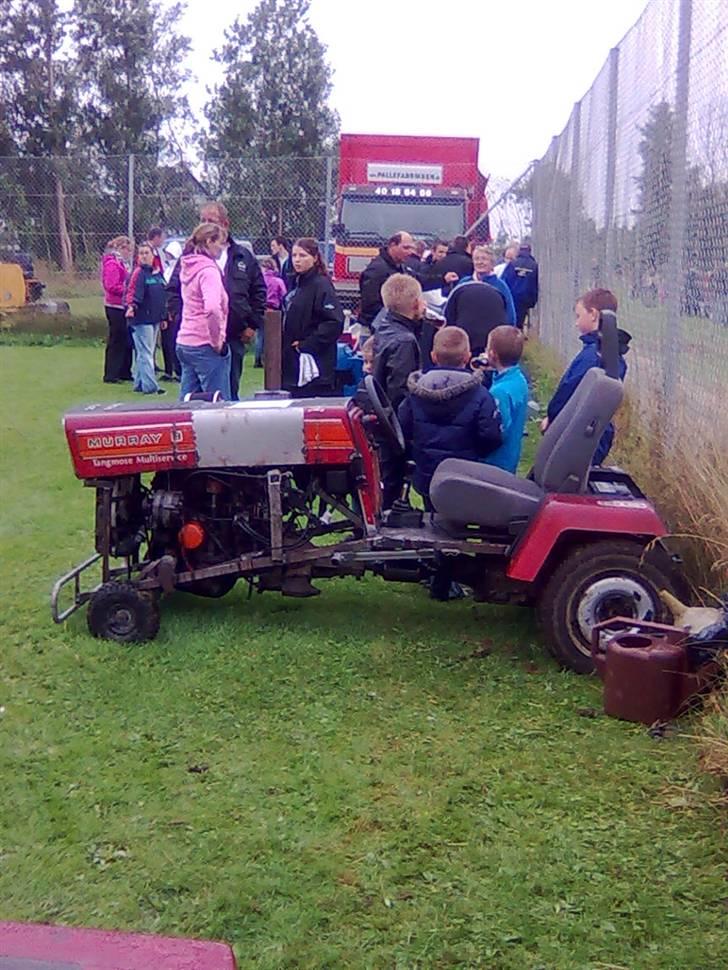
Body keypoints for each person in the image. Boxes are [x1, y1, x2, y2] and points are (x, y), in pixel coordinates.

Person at [167, 202, 266, 400]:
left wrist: (252, 325)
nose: (204, 225)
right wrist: (212, 338)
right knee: (219, 402)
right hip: (208, 341)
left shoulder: (242, 256)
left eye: (210, 221)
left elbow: (259, 292)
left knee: (190, 398)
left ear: (225, 224)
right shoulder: (198, 264)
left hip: (229, 336)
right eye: (201, 221)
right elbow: (180, 294)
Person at [398, 326, 501, 502]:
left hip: (426, 472)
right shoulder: (480, 394)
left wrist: (415, 452)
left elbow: (402, 428)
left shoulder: (415, 393)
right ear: (468, 357)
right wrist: (478, 453)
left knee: (432, 513)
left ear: (433, 356)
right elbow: (490, 435)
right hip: (465, 473)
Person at [541, 288, 631, 465]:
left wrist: (553, 419)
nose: (576, 323)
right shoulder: (612, 355)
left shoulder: (592, 357)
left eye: (578, 315)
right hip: (596, 433)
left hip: (575, 433)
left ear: (593, 314)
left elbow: (569, 391)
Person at [371, 273, 426, 507]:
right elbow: (401, 392)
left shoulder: (384, 327)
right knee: (391, 480)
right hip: (393, 428)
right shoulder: (404, 341)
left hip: (381, 420)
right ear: (415, 304)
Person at [175, 222, 231, 401]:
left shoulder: (188, 266)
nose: (223, 248)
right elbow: (212, 308)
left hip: (185, 341)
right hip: (204, 343)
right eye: (220, 243)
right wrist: (216, 341)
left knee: (188, 402)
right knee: (218, 404)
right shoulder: (208, 270)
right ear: (209, 241)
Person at [281, 237, 344, 397]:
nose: (297, 260)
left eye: (303, 256)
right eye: (294, 255)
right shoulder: (296, 284)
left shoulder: (321, 285)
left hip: (315, 366)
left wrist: (307, 345)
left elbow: (334, 322)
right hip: (291, 362)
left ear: (315, 258)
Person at [481, 325, 529, 473]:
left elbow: (498, 432)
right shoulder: (519, 379)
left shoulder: (499, 392)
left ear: (493, 354)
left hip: (496, 463)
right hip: (510, 456)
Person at [124, 242, 167, 395]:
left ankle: (139, 382)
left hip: (154, 318)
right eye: (141, 253)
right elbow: (132, 294)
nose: (143, 256)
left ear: (153, 255)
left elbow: (162, 295)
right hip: (141, 319)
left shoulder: (156, 273)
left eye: (146, 253)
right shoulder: (138, 273)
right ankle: (151, 386)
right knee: (146, 352)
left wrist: (163, 316)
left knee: (145, 351)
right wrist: (131, 307)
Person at [443, 265, 508, 355]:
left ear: (491, 263)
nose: (480, 262)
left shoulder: (500, 285)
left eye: (484, 259)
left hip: (488, 340)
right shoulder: (463, 283)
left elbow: (509, 310)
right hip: (466, 339)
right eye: (477, 259)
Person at [359, 231, 418, 328]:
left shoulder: (400, 267)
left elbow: (420, 278)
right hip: (375, 328)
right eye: (406, 248)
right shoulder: (377, 269)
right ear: (392, 245)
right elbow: (370, 304)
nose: (410, 252)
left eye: (411, 248)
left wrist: (442, 279)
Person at [101, 235, 133, 383]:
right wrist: (128, 290)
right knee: (116, 340)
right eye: (128, 249)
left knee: (125, 340)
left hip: (122, 305)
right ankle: (111, 374)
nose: (130, 253)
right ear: (121, 248)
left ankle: (124, 371)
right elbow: (111, 285)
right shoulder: (112, 264)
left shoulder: (121, 263)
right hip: (114, 306)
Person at [255, 257, 288, 367]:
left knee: (260, 335)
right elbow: (284, 294)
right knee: (273, 336)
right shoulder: (278, 281)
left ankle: (257, 359)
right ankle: (269, 358)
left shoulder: (260, 279)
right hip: (273, 310)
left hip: (261, 308)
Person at [503, 242, 539, 328]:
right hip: (525, 297)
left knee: (511, 320)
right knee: (520, 322)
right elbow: (534, 284)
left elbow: (505, 279)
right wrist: (532, 301)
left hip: (512, 296)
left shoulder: (513, 264)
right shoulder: (534, 265)